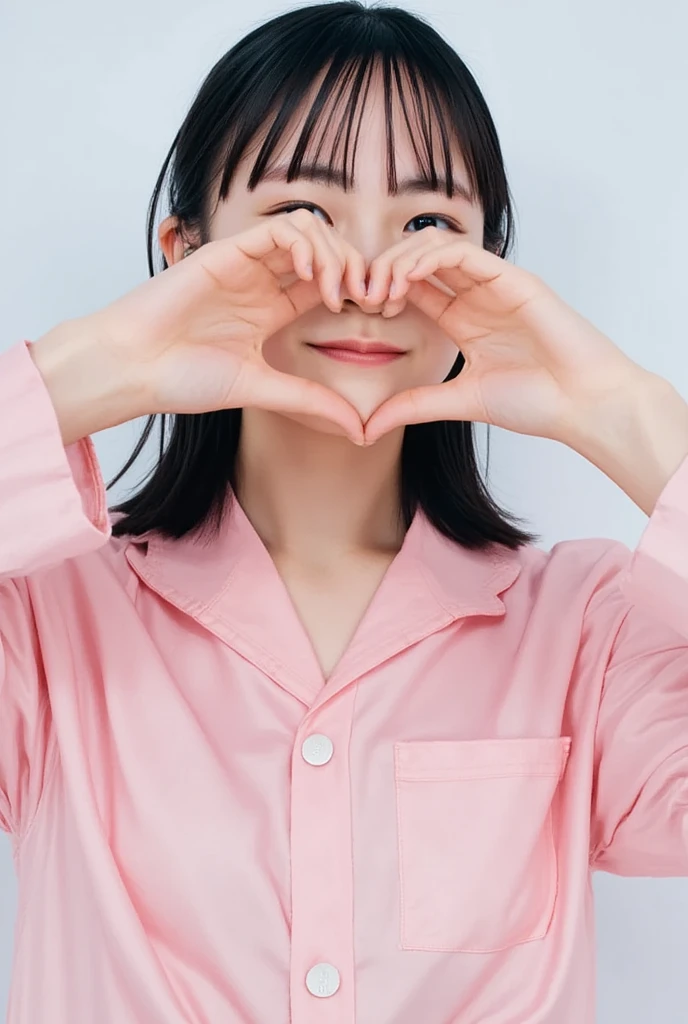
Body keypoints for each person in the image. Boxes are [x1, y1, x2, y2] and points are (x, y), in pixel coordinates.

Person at [2, 1, 688, 1021]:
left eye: (427, 227)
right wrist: (86, 370)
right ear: (183, 246)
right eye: (299, 219)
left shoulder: (588, 635)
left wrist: (628, 414)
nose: (367, 281)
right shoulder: (50, 623)